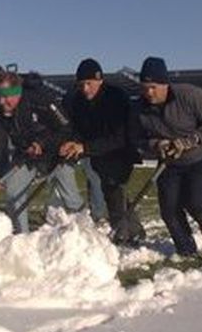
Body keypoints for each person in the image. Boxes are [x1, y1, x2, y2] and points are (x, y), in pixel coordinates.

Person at [132, 56, 202, 259]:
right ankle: (186, 249)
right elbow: (136, 139)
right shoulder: (139, 109)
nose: (148, 92)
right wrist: (156, 145)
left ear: (165, 84)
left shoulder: (191, 95)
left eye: (154, 87)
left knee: (198, 203)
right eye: (145, 87)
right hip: (169, 162)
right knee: (169, 210)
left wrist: (191, 140)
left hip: (200, 159)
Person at [0, 71, 84, 232]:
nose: (1, 101)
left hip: (58, 154)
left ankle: (85, 232)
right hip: (28, 156)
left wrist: (42, 142)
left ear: (17, 93)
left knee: (70, 198)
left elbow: (65, 127)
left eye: (6, 96)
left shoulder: (41, 100)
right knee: (13, 190)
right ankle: (23, 239)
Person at [59, 58, 144, 245]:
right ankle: (135, 229)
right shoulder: (79, 101)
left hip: (121, 151)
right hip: (99, 154)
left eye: (89, 83)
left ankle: (122, 233)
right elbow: (78, 128)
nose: (85, 89)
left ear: (100, 80)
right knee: (113, 191)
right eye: (81, 84)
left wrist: (85, 147)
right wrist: (72, 142)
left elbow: (120, 136)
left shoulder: (116, 97)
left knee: (113, 189)